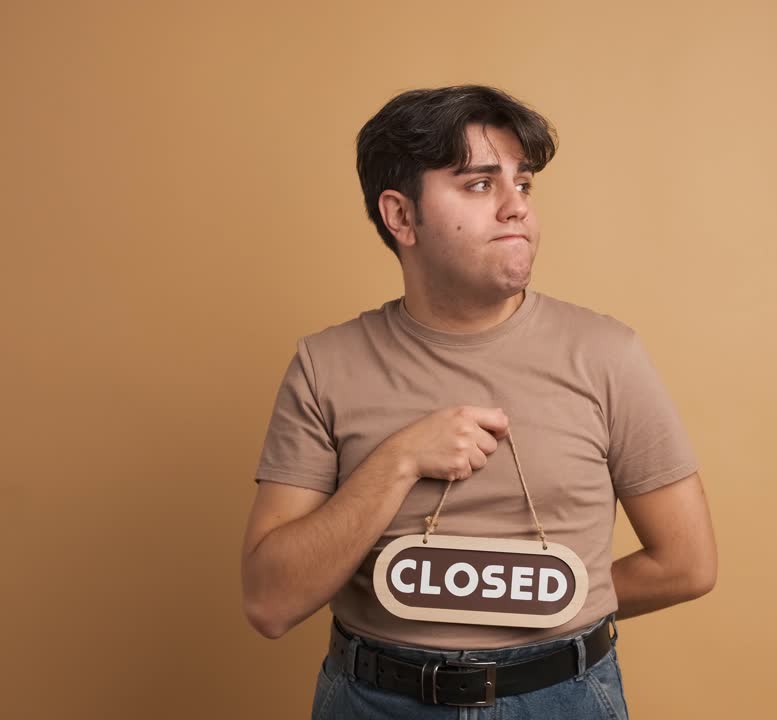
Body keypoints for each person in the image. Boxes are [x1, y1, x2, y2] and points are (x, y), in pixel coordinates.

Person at [240, 85, 717, 719]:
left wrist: (542, 607)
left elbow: (687, 563)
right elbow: (270, 602)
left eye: (523, 185)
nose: (515, 207)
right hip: (374, 701)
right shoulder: (324, 366)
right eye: (478, 184)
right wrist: (400, 460)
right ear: (401, 217)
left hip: (562, 698)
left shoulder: (607, 355)